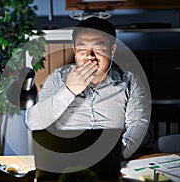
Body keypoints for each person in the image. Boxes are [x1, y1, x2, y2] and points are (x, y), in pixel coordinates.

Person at [25, 17, 151, 159]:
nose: (89, 57)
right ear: (75, 50)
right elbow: (33, 122)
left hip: (114, 159)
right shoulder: (57, 78)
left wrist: (116, 154)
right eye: (82, 49)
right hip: (66, 158)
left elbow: (138, 125)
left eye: (98, 48)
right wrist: (69, 90)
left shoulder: (130, 81)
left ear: (112, 50)